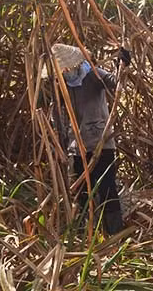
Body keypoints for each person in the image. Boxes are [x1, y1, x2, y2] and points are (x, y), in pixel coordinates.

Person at [47, 42, 131, 236]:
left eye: (68, 68)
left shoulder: (93, 74)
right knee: (83, 192)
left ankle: (115, 233)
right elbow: (57, 115)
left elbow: (116, 82)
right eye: (63, 70)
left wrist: (122, 64)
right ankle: (88, 233)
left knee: (107, 187)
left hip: (101, 142)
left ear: (77, 63)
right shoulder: (62, 86)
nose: (67, 72)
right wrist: (58, 141)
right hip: (77, 147)